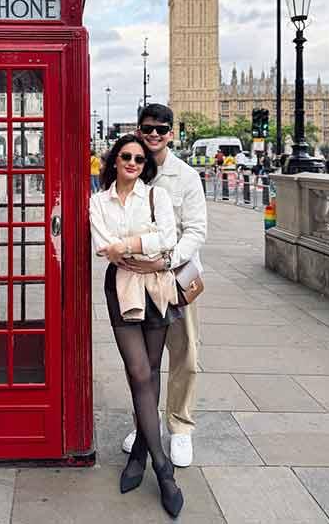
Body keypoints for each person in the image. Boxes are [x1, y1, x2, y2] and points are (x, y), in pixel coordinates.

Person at [90, 134, 186, 517]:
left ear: (146, 166)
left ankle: (140, 457)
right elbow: (104, 245)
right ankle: (163, 469)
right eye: (127, 156)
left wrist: (127, 245)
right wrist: (142, 245)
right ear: (115, 160)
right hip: (122, 290)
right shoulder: (98, 201)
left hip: (157, 289)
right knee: (138, 372)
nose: (133, 162)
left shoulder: (156, 196)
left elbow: (169, 237)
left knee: (150, 370)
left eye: (140, 159)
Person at [119, 104, 207, 470]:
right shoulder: (130, 170)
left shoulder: (185, 176)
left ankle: (180, 426)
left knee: (184, 352)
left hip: (176, 277)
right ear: (139, 130)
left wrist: (166, 262)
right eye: (148, 128)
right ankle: (145, 425)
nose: (154, 134)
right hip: (137, 280)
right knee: (142, 360)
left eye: (161, 129)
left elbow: (197, 231)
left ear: (172, 133)